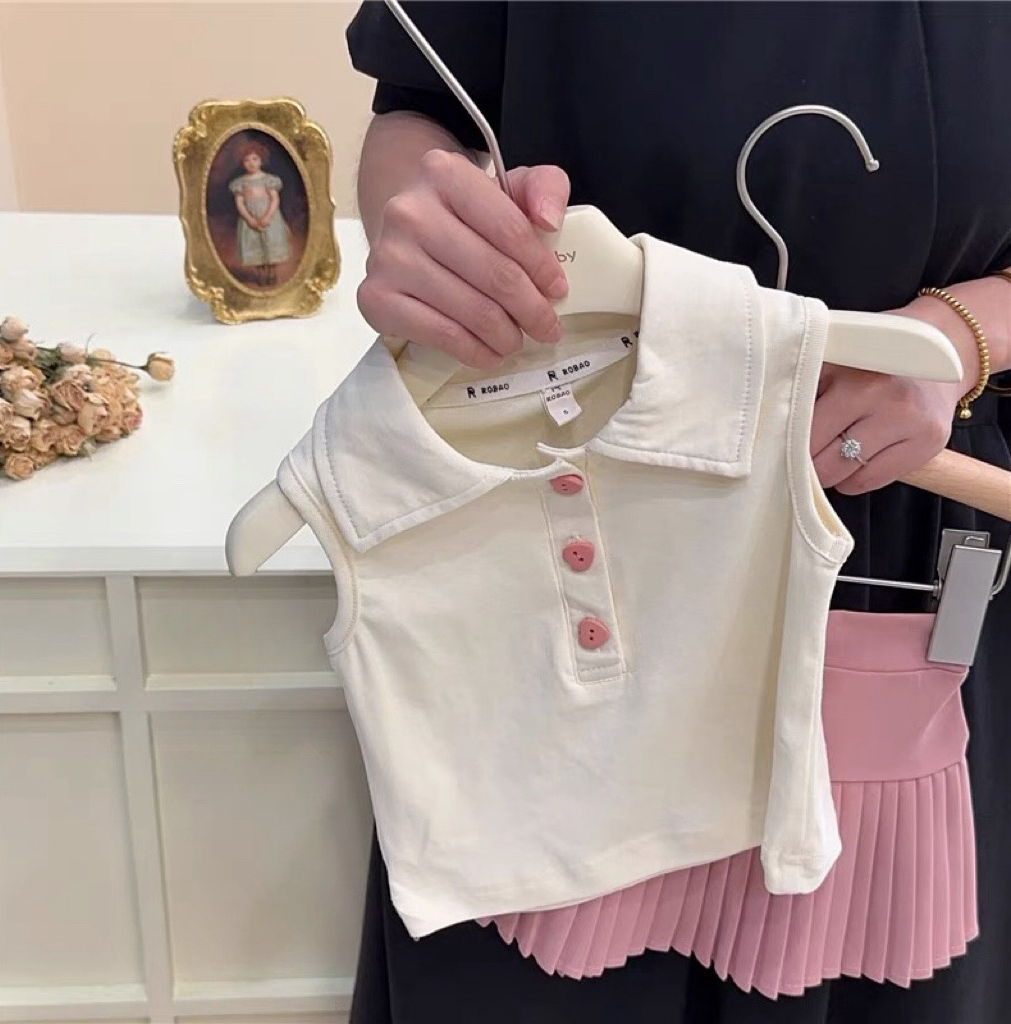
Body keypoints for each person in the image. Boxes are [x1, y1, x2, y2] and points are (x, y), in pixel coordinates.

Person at [343, 3, 1011, 1022]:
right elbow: (420, 105)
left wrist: (956, 337)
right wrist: (432, 228)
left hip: (898, 525)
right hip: (567, 486)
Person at [228, 139, 292, 287]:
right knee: (255, 245)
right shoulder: (240, 183)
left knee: (270, 243)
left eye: (255, 159)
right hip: (250, 219)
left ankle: (272, 272)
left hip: (269, 218)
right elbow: (240, 203)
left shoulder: (268, 180)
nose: (251, 163)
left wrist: (267, 217)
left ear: (261, 160)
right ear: (242, 163)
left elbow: (274, 199)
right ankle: (260, 273)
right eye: (247, 160)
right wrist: (249, 219)